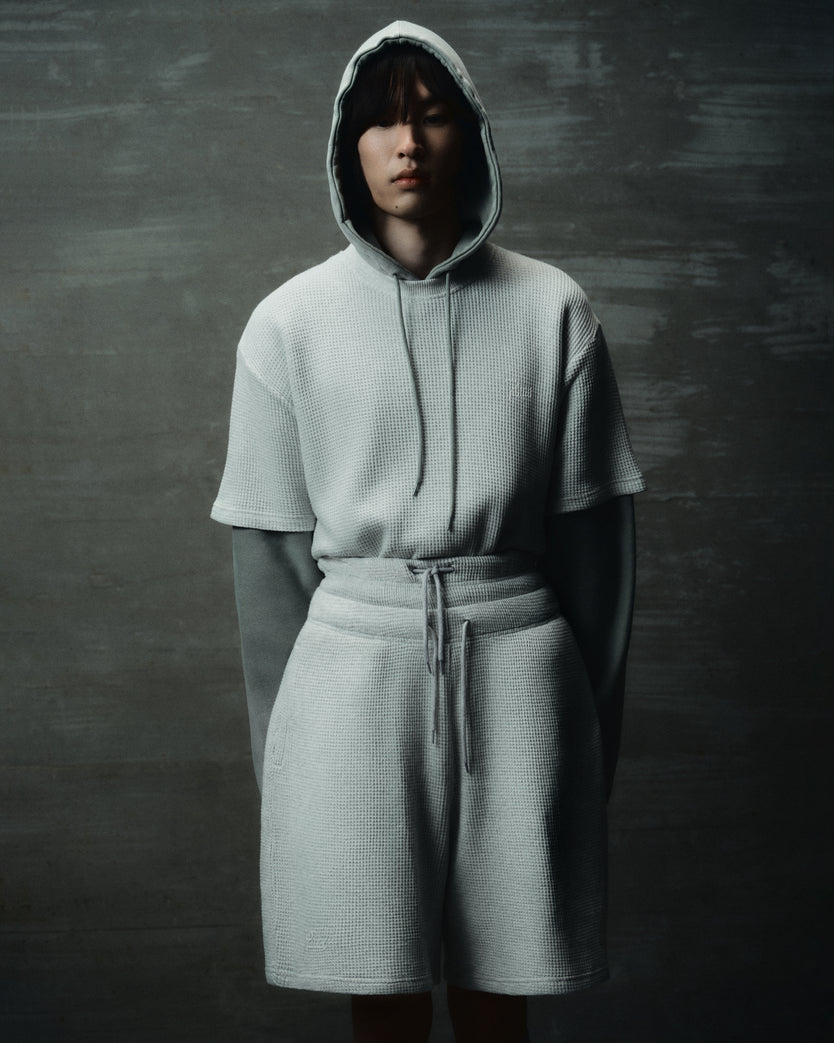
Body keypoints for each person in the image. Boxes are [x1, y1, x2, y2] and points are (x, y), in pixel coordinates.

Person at [211, 21, 645, 1043]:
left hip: (521, 668)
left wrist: (585, 740)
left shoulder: (555, 311)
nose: (407, 143)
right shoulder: (288, 325)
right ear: (347, 148)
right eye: (381, 123)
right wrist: (288, 762)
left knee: (504, 994)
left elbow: (599, 565)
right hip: (350, 679)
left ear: (471, 137)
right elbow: (269, 576)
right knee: (382, 992)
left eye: (433, 116)